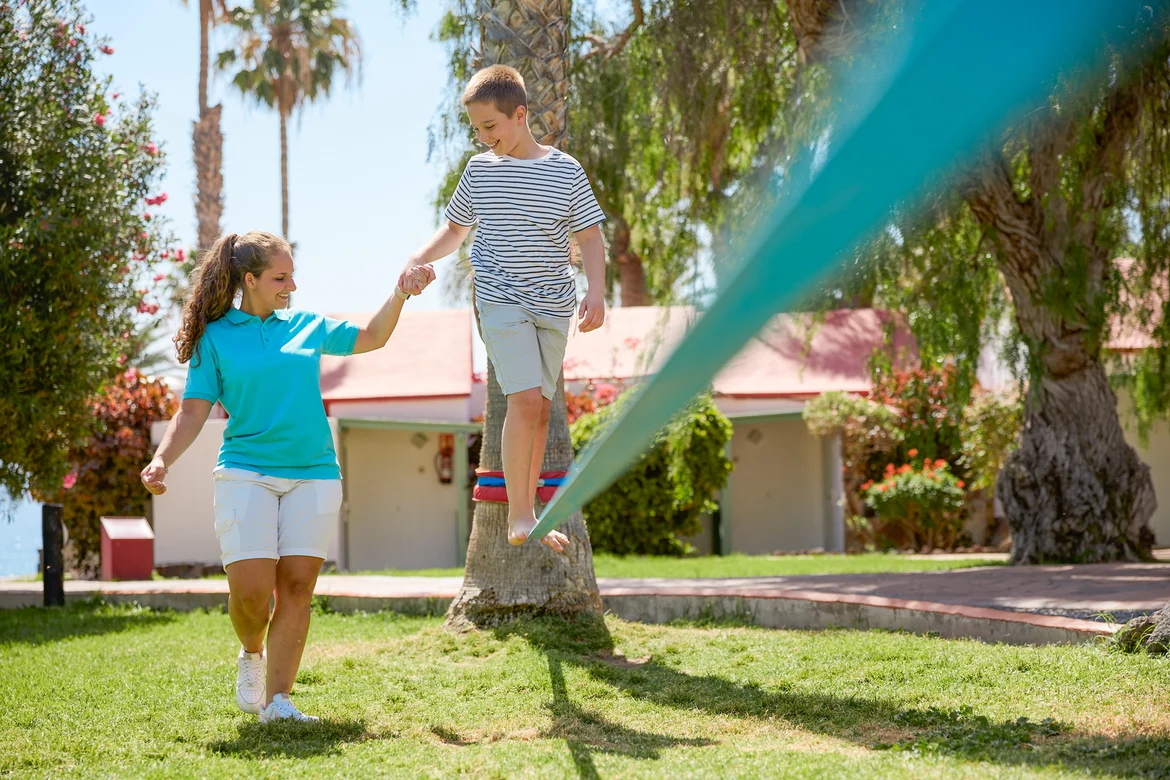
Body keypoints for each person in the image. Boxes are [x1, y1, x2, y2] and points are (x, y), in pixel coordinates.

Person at [140, 231, 433, 723]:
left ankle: (279, 701)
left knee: (297, 588)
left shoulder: (306, 325)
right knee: (251, 594)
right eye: (281, 277)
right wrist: (162, 459)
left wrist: (400, 291)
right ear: (249, 280)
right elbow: (192, 411)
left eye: (293, 275)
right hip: (245, 473)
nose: (291, 286)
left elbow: (373, 337)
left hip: (315, 474)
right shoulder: (215, 337)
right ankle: (251, 651)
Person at [400, 64, 607, 552]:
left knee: (538, 410)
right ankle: (519, 515)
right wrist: (417, 257)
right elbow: (455, 229)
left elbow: (590, 236)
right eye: (476, 129)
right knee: (526, 401)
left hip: (554, 304)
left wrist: (595, 289)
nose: (483, 136)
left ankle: (528, 506)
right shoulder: (479, 171)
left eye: (490, 126)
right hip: (500, 299)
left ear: (520, 115)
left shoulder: (565, 170)